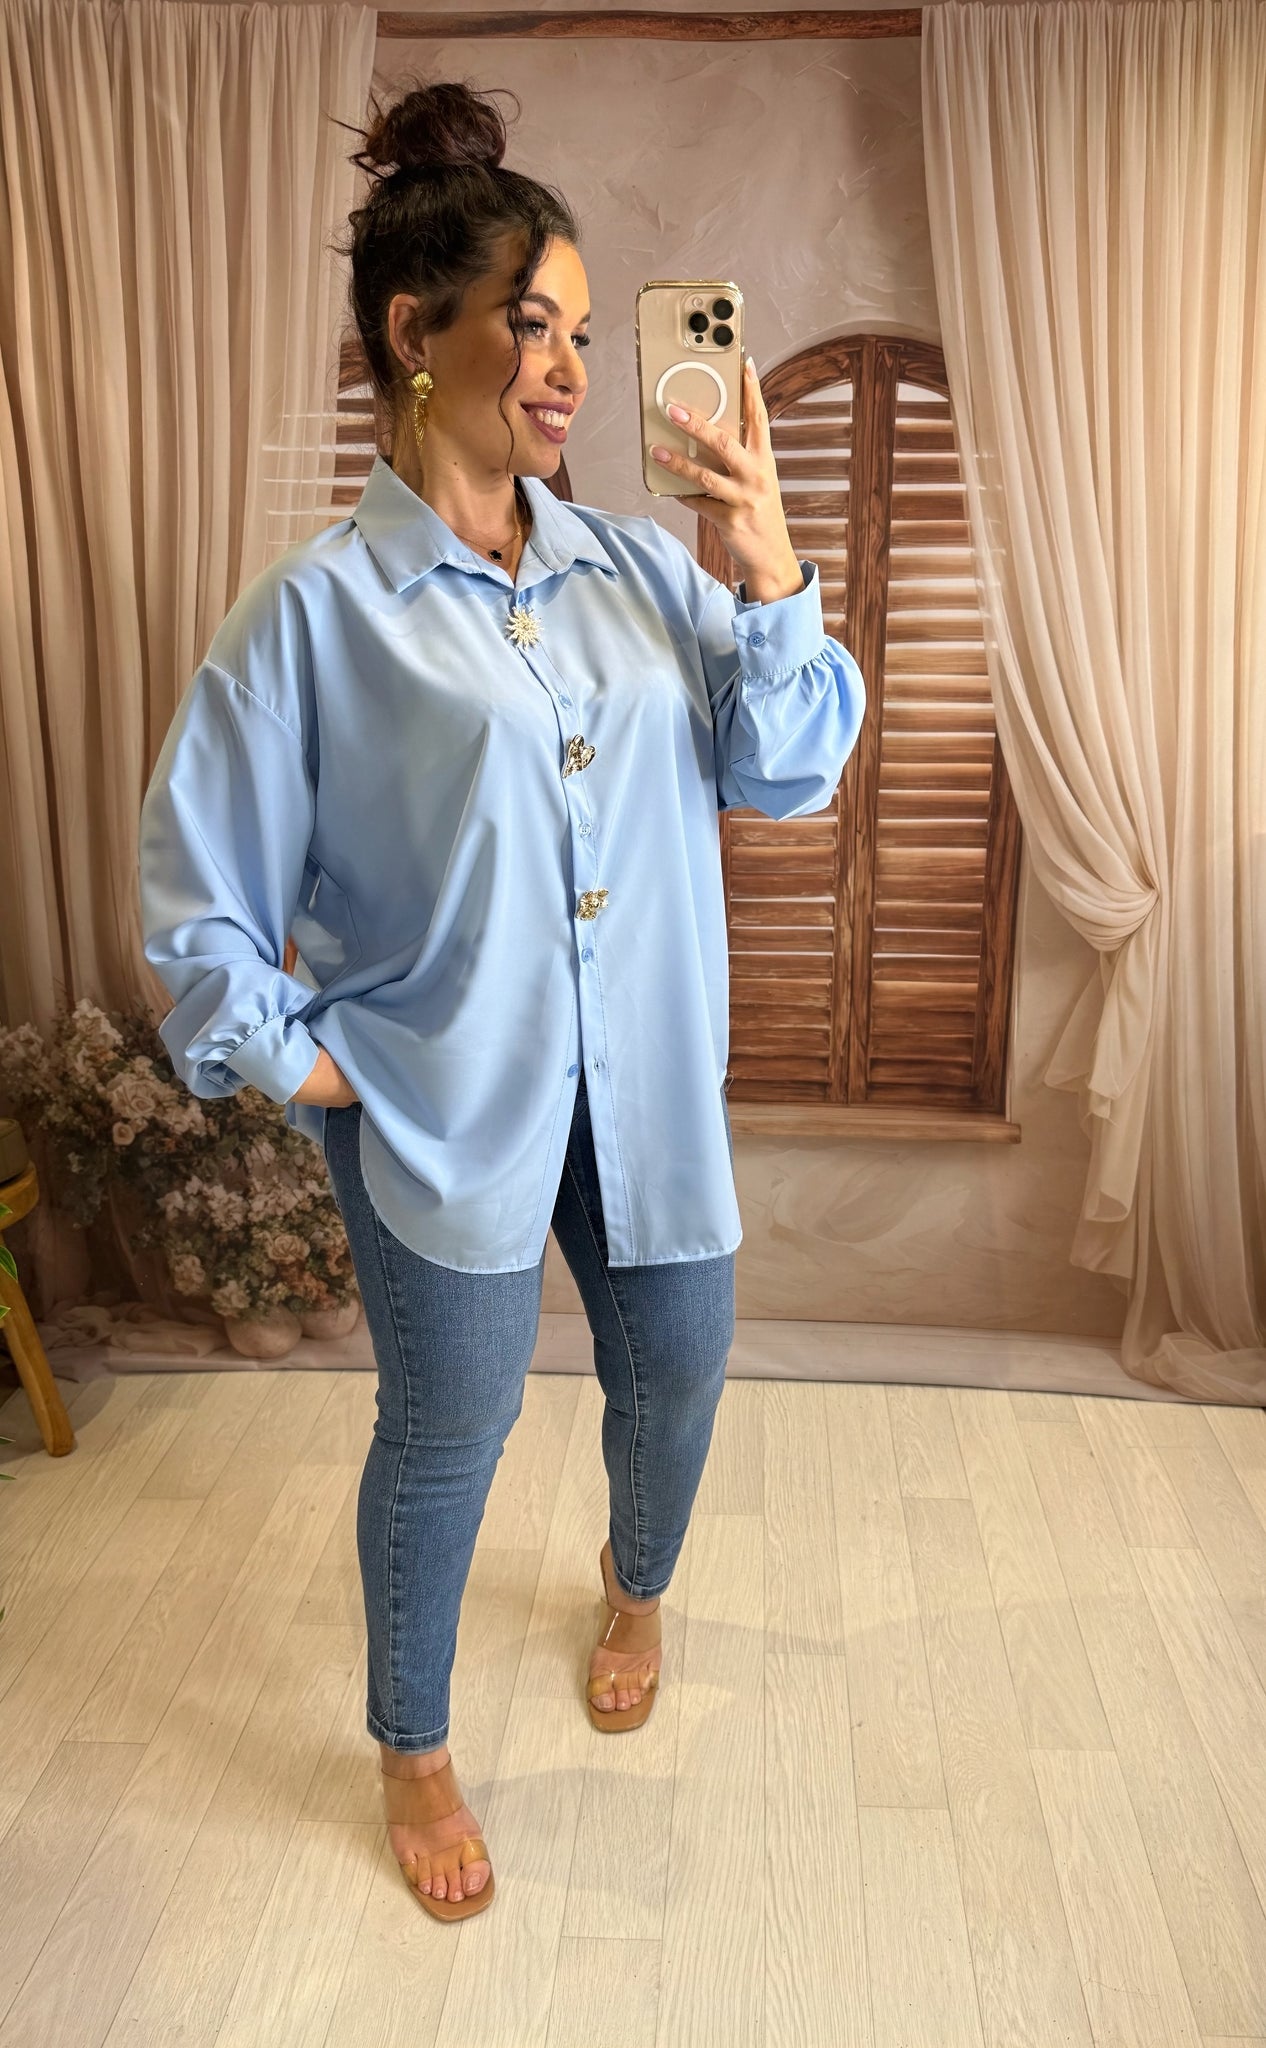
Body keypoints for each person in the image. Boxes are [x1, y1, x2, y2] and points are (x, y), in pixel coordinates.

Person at [138, 75, 866, 1924]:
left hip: (648, 1094)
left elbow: (785, 772)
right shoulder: (311, 618)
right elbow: (199, 917)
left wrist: (768, 558)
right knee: (446, 1438)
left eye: (582, 333)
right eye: (530, 325)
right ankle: (412, 1747)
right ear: (416, 333)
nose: (567, 371)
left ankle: (634, 1588)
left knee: (676, 1380)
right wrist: (332, 1072)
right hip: (439, 1118)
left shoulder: (637, 568)